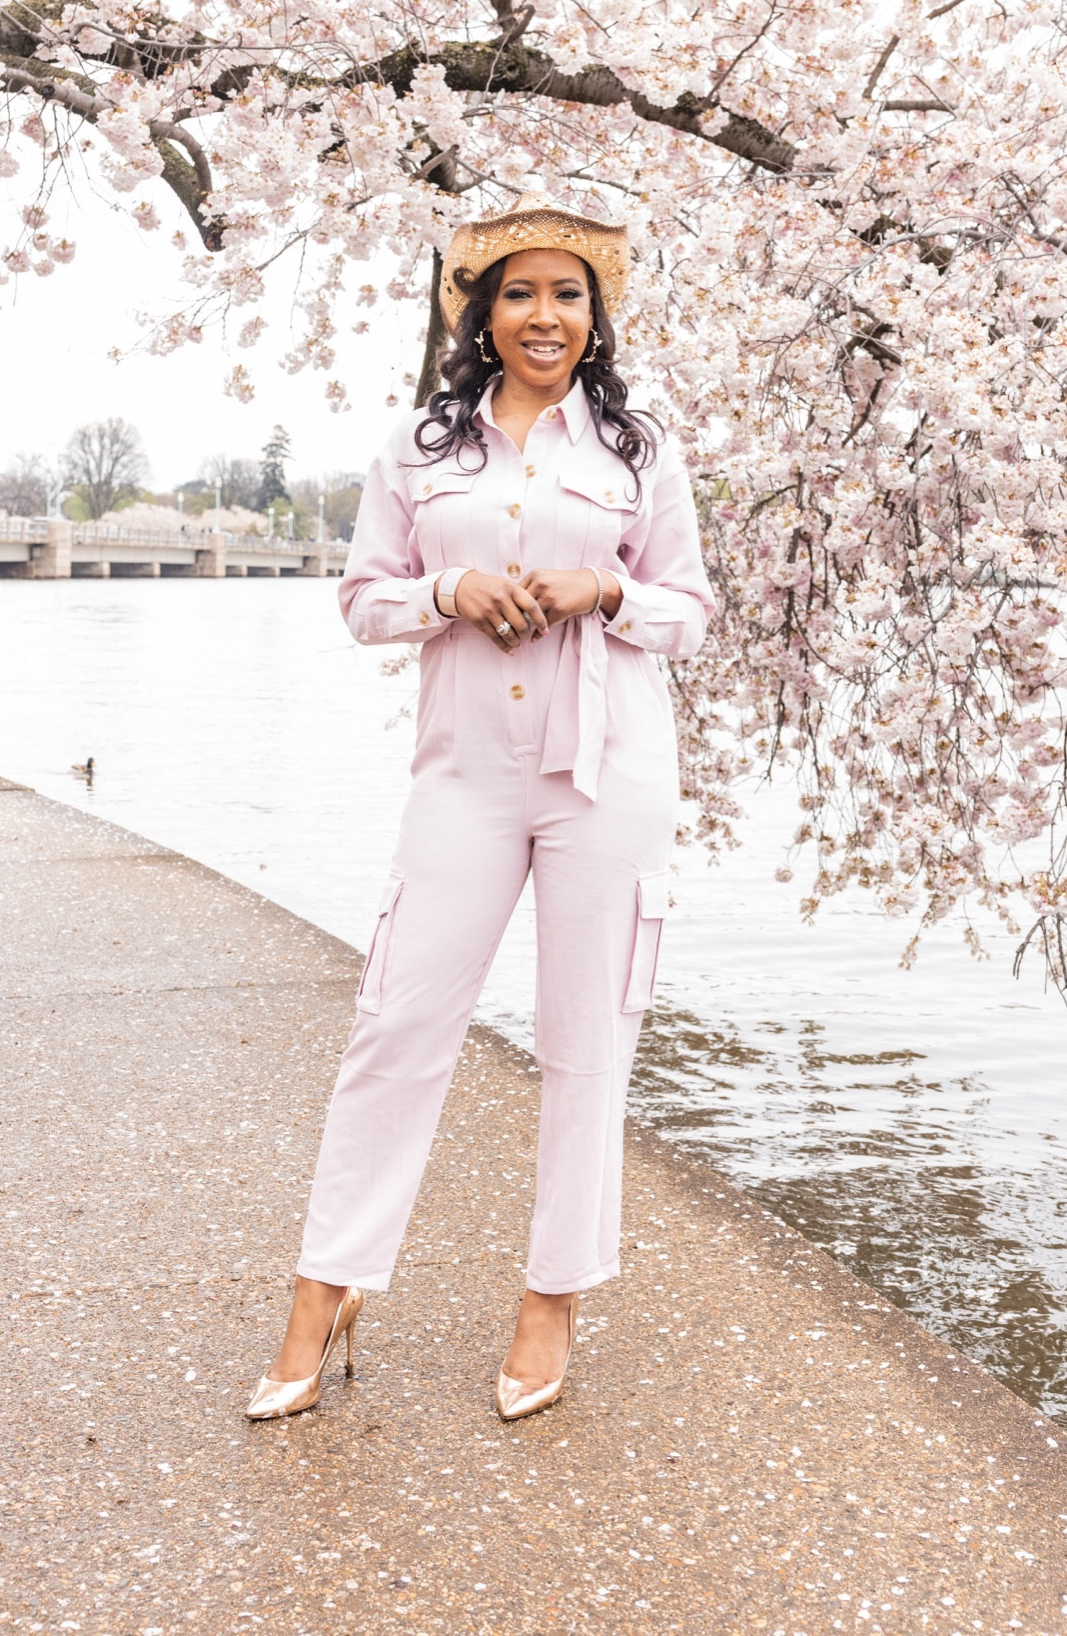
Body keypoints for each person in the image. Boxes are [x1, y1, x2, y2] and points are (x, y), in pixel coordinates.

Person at [246, 193, 716, 1423]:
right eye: (519, 293)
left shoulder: (638, 452)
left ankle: (552, 1294)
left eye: (567, 293)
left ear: (594, 312)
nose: (543, 315)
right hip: (462, 773)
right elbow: (363, 601)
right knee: (395, 1022)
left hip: (605, 781)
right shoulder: (418, 449)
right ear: (482, 310)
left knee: (585, 1043)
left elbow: (690, 612)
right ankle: (326, 1284)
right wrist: (449, 586)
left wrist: (606, 591)